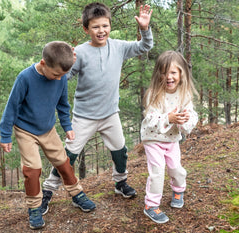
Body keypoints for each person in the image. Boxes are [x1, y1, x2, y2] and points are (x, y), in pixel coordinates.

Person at [40, 2, 154, 215]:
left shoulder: (119, 47)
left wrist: (145, 29)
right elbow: (64, 77)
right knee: (68, 156)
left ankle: (120, 183)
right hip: (84, 116)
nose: (101, 31)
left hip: (111, 114)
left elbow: (144, 47)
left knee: (120, 151)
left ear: (110, 25)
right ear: (86, 29)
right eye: (95, 27)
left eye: (105, 26)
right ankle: (48, 191)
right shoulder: (80, 53)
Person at [0, 41, 96, 230]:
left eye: (63, 75)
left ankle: (76, 194)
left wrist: (67, 126)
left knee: (63, 163)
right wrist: (5, 135)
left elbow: (62, 104)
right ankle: (34, 207)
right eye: (56, 74)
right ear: (43, 63)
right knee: (32, 169)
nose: (60, 78)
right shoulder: (25, 78)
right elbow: (11, 107)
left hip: (48, 129)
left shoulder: (60, 78)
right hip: (25, 130)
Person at [140, 51, 199, 223]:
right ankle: (151, 205)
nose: (168, 77)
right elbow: (150, 119)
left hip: (171, 140)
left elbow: (191, 115)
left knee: (176, 169)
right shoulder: (154, 93)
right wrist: (168, 118)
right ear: (158, 73)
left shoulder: (184, 94)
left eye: (173, 72)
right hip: (153, 139)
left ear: (181, 73)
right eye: (164, 72)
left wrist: (184, 121)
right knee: (158, 171)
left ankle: (178, 190)